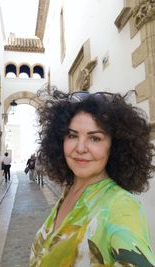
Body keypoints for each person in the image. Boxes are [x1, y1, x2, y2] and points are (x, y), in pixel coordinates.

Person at [29, 89, 155, 266]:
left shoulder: (121, 207)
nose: (80, 148)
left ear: (115, 146)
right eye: (72, 135)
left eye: (95, 138)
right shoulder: (70, 190)